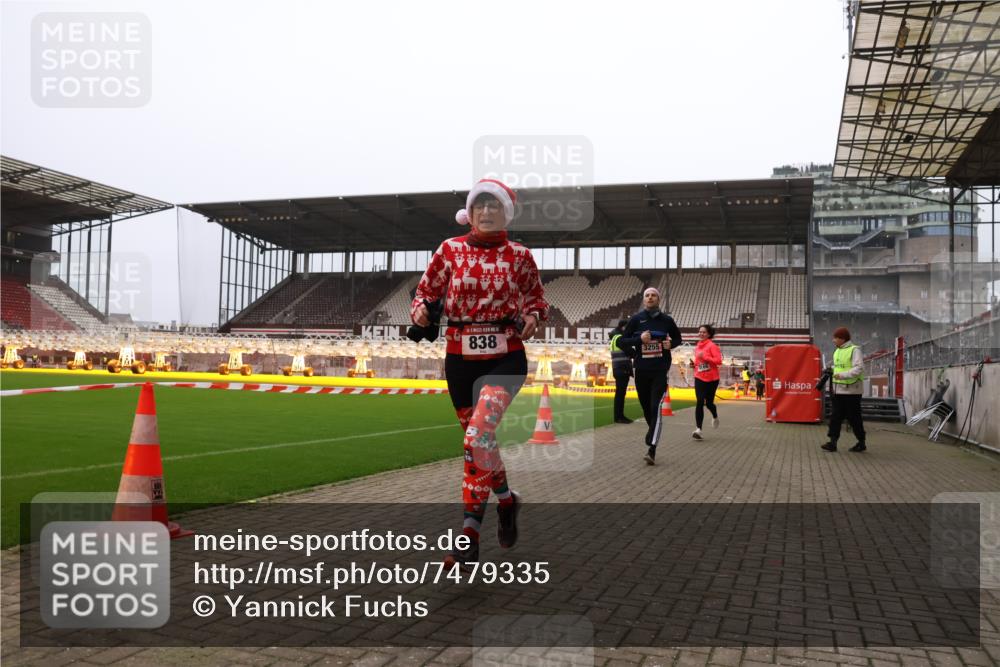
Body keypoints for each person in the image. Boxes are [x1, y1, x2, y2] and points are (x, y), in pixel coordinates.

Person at [411, 178, 548, 567]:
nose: (486, 211)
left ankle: (469, 535)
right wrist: (420, 310)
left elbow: (537, 298)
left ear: (506, 211)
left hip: (506, 357)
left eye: (494, 205)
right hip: (459, 359)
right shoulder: (449, 250)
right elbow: (425, 293)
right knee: (481, 445)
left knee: (476, 437)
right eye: (480, 205)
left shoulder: (520, 256)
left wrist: (533, 315)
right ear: (469, 213)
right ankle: (507, 503)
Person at [617, 287, 682, 466]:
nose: (650, 297)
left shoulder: (667, 320)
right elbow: (621, 341)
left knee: (655, 407)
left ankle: (651, 448)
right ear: (644, 300)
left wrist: (671, 344)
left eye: (653, 295)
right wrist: (638, 341)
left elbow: (678, 338)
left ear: (658, 299)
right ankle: (653, 431)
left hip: (660, 369)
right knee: (646, 409)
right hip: (641, 370)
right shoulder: (636, 320)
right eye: (647, 295)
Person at [821, 326, 867, 453]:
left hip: (852, 391)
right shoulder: (837, 351)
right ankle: (832, 442)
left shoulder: (854, 350)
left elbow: (859, 369)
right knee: (835, 417)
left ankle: (861, 442)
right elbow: (840, 367)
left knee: (854, 418)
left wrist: (841, 375)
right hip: (838, 390)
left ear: (842, 338)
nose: (833, 340)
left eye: (835, 338)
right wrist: (832, 370)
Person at [691, 324, 722, 440]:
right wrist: (694, 365)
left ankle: (715, 416)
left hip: (712, 379)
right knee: (699, 401)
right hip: (699, 377)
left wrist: (706, 357)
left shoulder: (712, 346)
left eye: (704, 332)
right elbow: (699, 362)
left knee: (709, 403)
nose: (701, 334)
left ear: (709, 334)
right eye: (700, 332)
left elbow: (718, 361)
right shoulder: (698, 346)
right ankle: (698, 430)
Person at [608, 318, 634, 424]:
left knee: (620, 393)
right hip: (622, 369)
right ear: (624, 327)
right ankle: (619, 417)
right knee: (620, 394)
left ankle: (619, 416)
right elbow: (632, 353)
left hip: (618, 368)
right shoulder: (621, 338)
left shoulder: (615, 337)